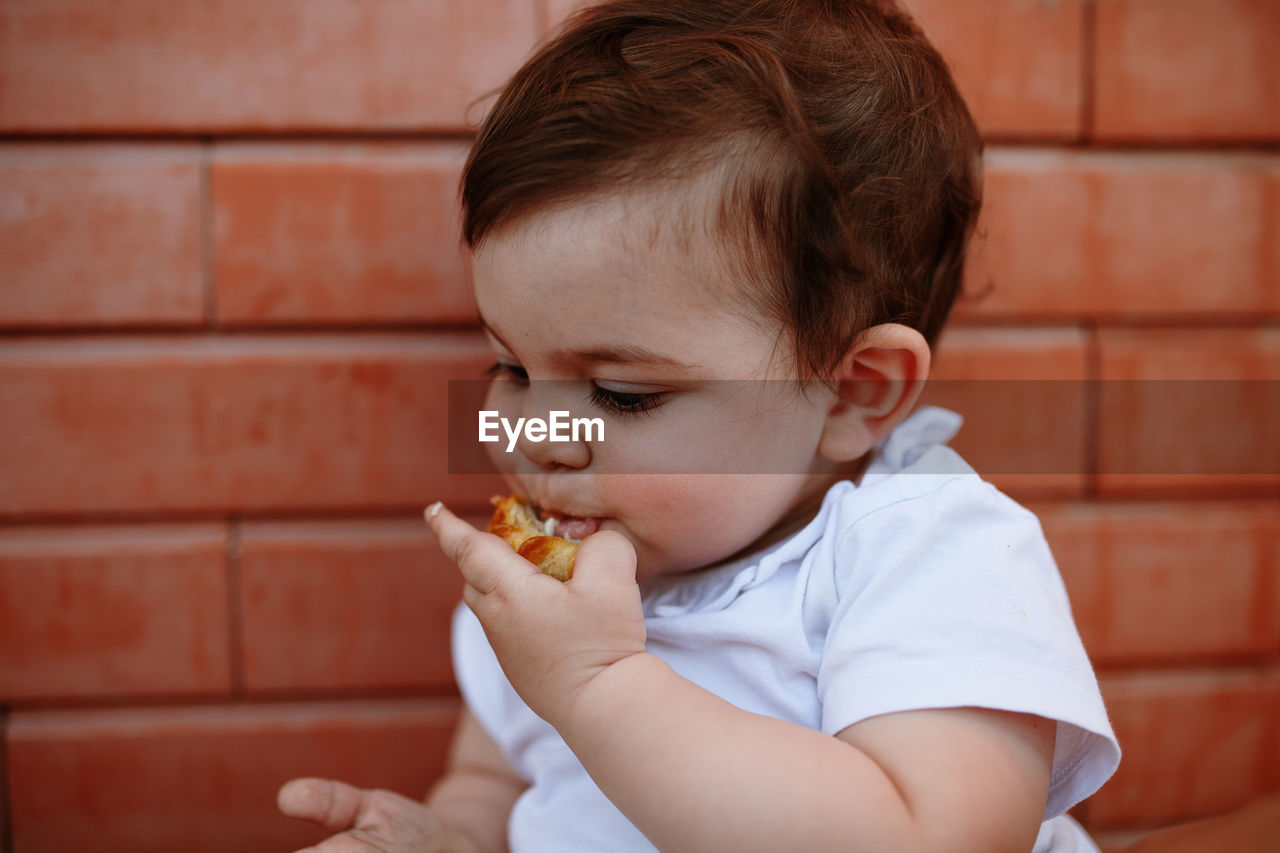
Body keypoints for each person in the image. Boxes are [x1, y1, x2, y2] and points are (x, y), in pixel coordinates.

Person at [278, 1, 1122, 850]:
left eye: (622, 393)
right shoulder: (548, 598)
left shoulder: (924, 552)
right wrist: (452, 837)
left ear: (849, 394)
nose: (538, 431)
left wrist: (599, 684)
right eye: (514, 368)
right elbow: (497, 780)